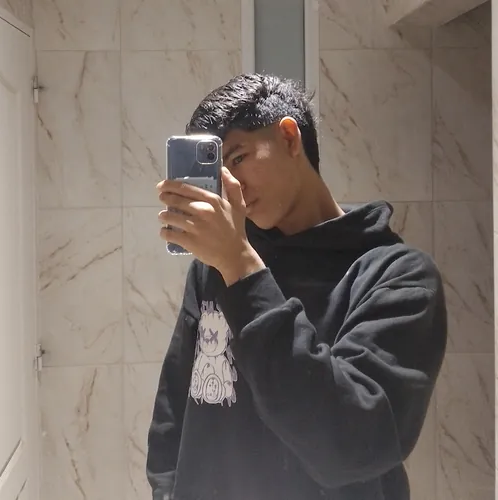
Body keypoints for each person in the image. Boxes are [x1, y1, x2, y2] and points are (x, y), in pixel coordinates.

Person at [147, 73, 447, 500]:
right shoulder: (216, 267)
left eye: (238, 157)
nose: (231, 185)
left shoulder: (399, 277)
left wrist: (242, 269)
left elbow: (350, 445)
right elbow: (175, 404)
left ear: (289, 138)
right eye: (217, 170)